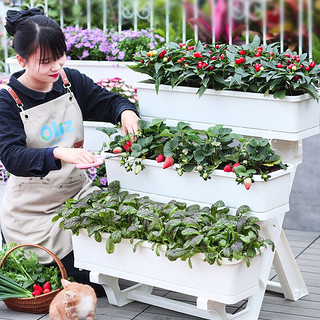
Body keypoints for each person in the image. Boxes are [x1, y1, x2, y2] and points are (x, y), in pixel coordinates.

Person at [0, 8, 139, 292]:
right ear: (21, 60)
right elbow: (12, 157)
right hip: (33, 214)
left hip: (77, 197)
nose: (56, 67)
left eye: (60, 57)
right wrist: (58, 153)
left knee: (121, 252)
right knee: (92, 283)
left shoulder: (69, 81)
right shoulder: (8, 100)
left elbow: (109, 102)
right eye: (45, 61)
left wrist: (126, 112)